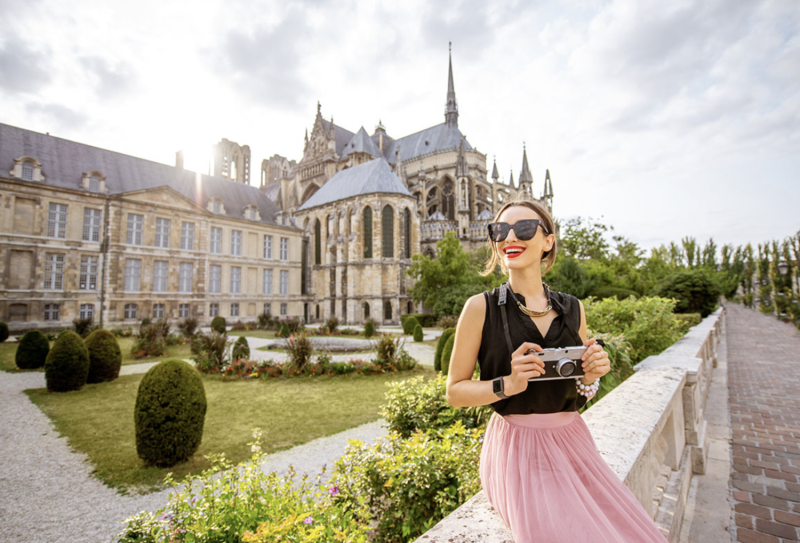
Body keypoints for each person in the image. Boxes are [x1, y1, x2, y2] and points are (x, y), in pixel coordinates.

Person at [446, 198, 668, 543]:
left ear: (548, 241)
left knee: (626, 530)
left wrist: (590, 376)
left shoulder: (573, 308)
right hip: (516, 447)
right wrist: (508, 384)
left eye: (523, 229)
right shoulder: (480, 307)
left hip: (573, 439)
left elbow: (577, 390)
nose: (509, 238)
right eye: (500, 230)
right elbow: (455, 391)